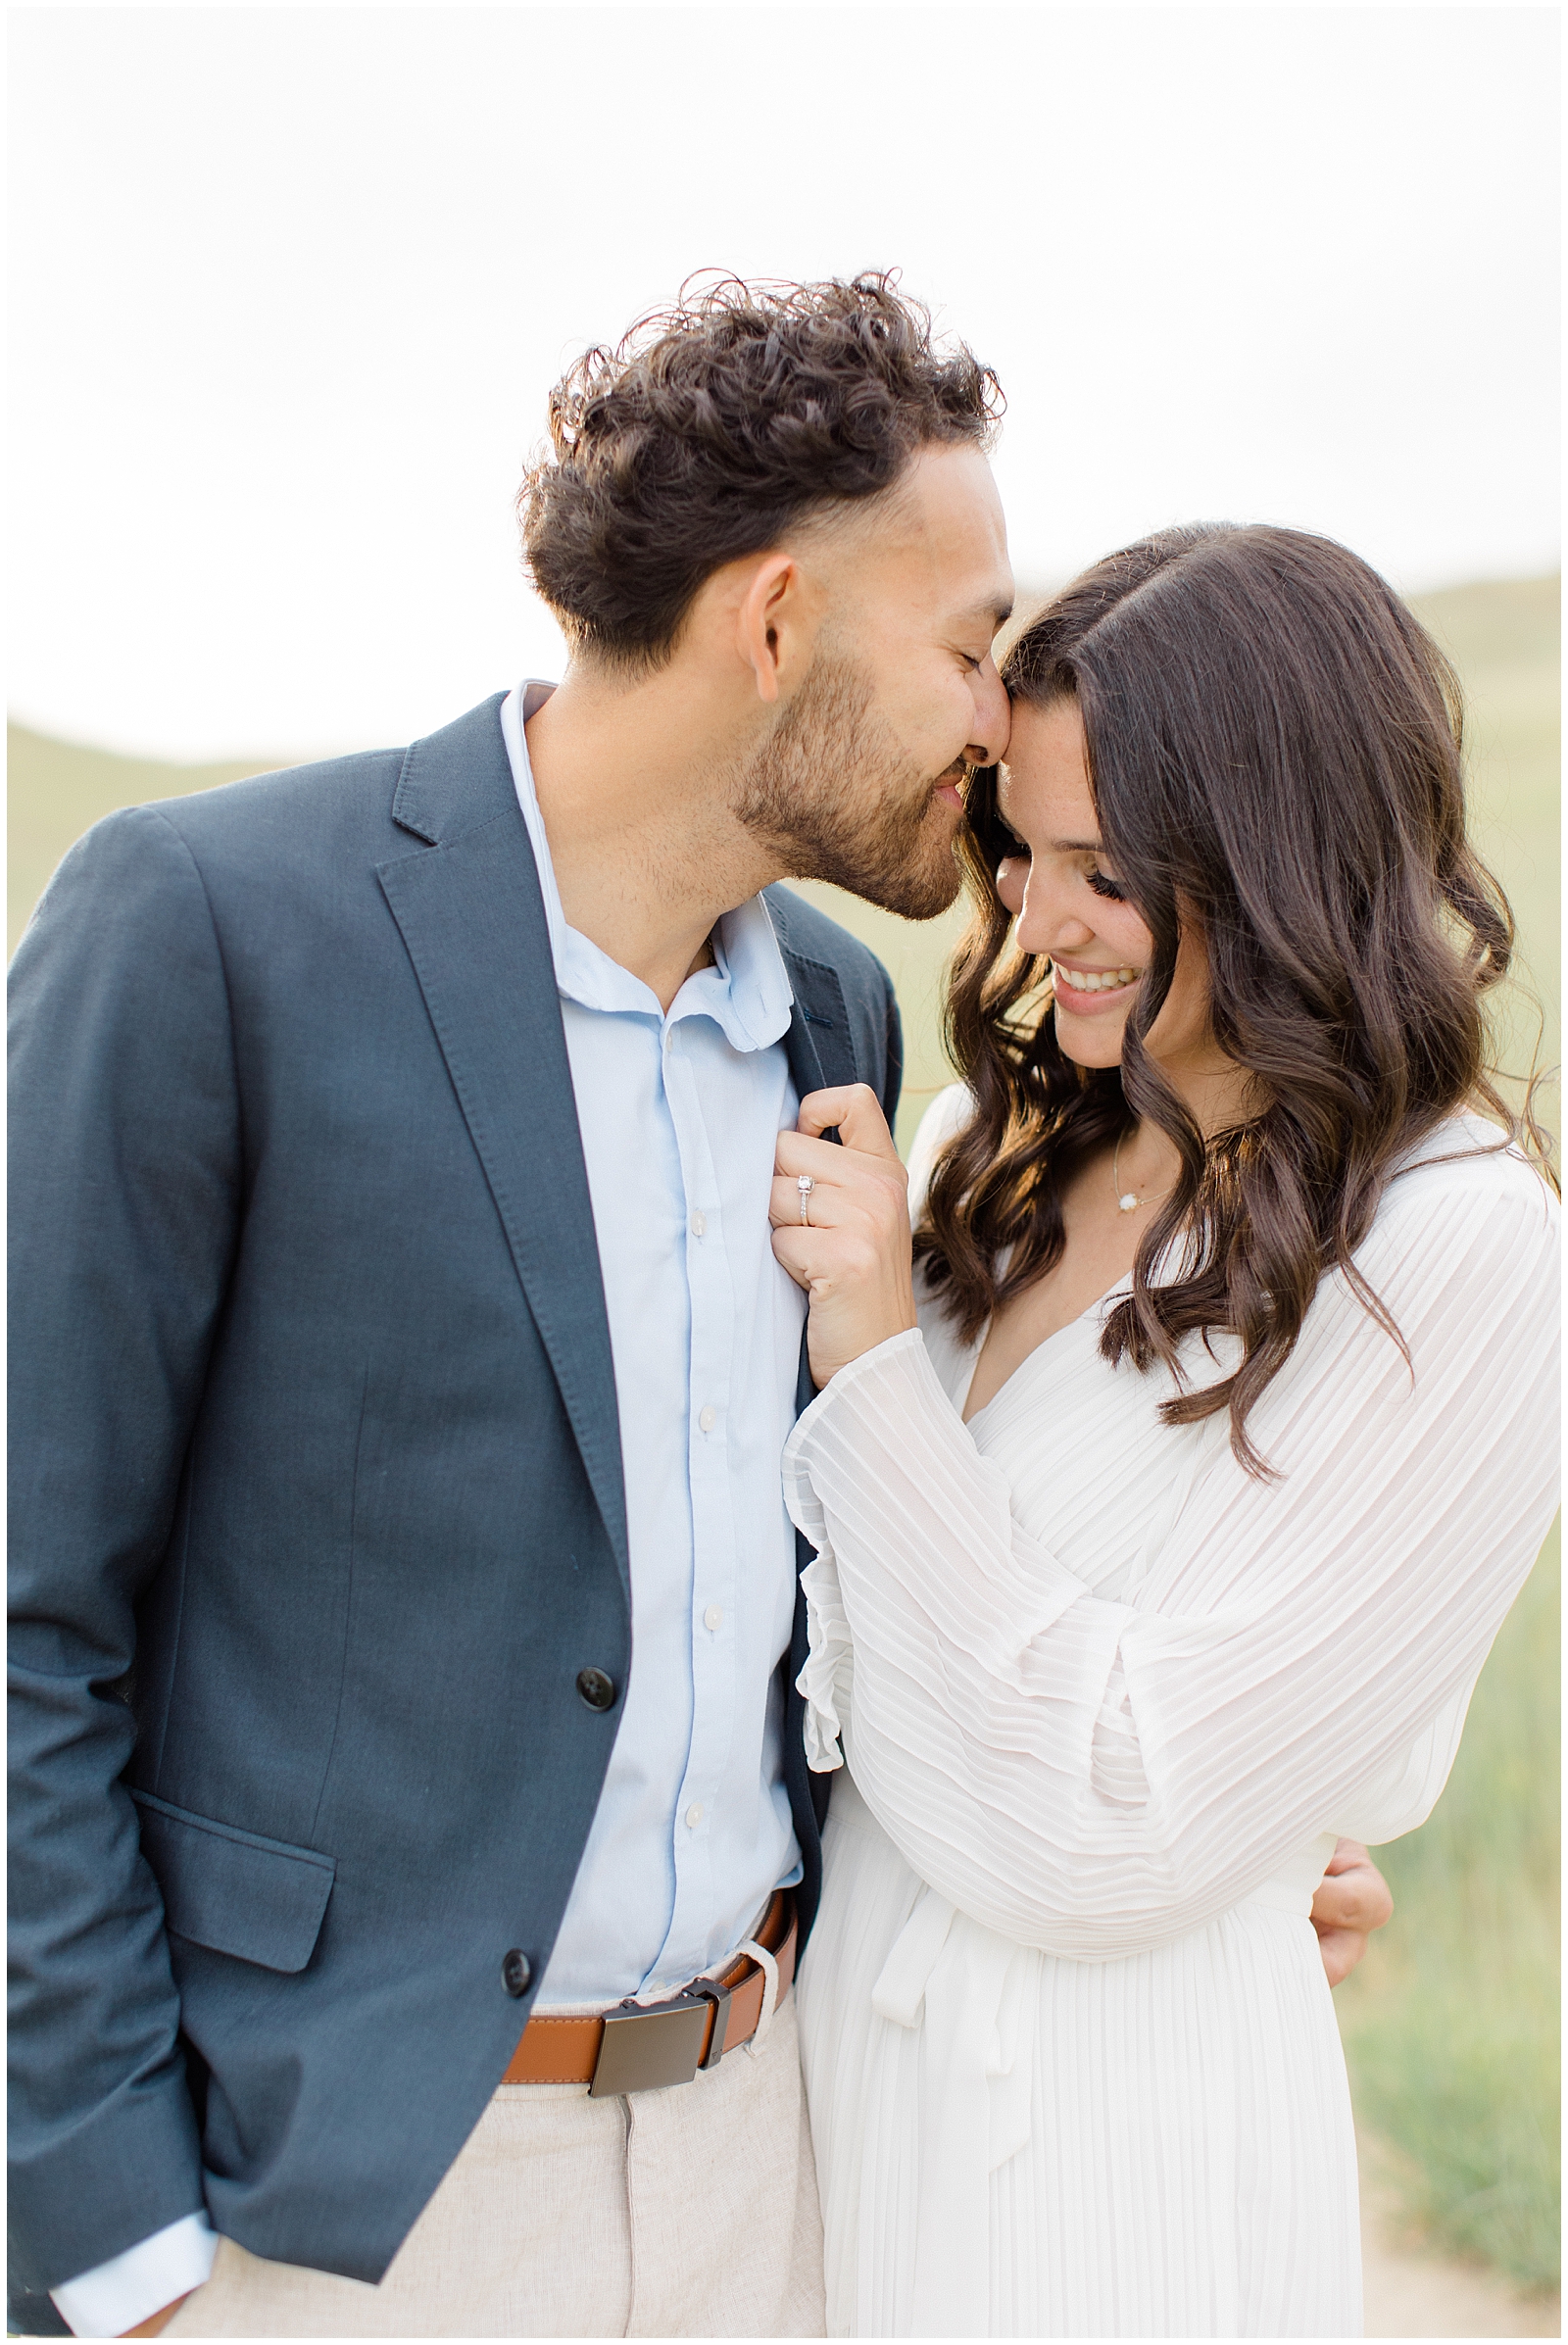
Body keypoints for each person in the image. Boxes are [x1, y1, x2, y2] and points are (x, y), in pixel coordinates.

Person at [8, 276, 1388, 2341]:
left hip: (777, 2159)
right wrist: (116, 2252)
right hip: (345, 2209)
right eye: (964, 644)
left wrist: (1174, 1873)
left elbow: (815, 1615)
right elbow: (30, 1612)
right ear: (768, 627)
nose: (1004, 723)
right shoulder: (210, 931)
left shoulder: (835, 1013)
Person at [769, 524, 1558, 2338]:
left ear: (1277, 859)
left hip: (1111, 2151)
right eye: (1019, 853)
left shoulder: (1457, 1246)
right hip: (843, 2092)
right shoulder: (1003, 1137)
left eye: (1104, 872)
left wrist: (879, 1362)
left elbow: (1117, 1815)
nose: (1037, 928)